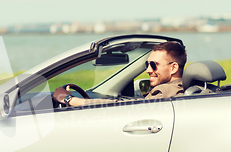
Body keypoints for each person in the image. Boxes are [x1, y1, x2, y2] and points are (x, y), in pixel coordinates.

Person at [53, 41, 186, 106]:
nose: (148, 70)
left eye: (153, 65)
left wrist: (69, 99)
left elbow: (118, 107)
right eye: (147, 64)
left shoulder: (164, 92)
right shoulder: (182, 88)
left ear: (173, 68)